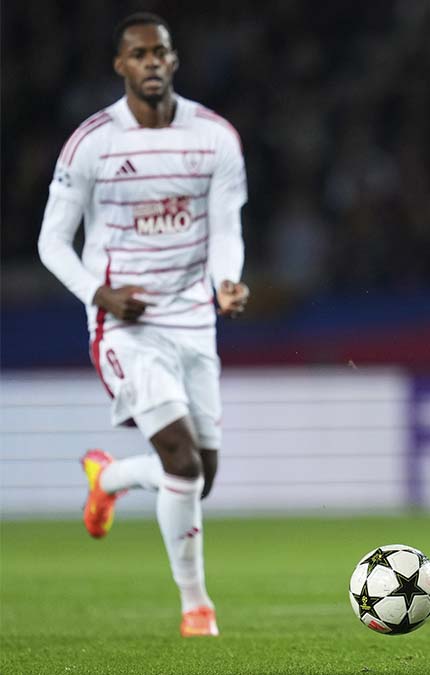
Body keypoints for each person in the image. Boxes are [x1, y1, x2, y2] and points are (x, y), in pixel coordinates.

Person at [36, 12, 249, 638]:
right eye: (138, 54)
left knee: (200, 477)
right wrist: (100, 294)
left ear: (174, 60)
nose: (151, 62)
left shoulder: (214, 137)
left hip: (192, 320)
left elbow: (226, 228)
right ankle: (196, 606)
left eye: (160, 52)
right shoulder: (92, 142)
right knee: (181, 460)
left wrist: (226, 283)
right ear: (121, 65)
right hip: (124, 325)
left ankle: (111, 477)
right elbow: (52, 243)